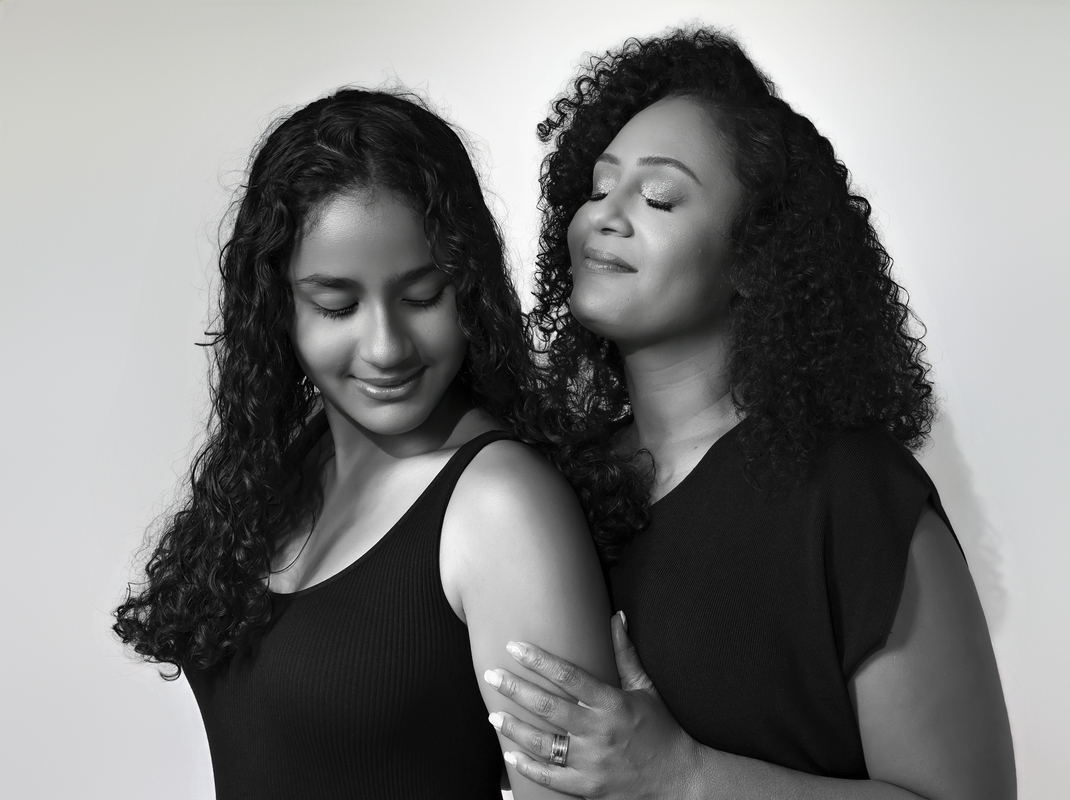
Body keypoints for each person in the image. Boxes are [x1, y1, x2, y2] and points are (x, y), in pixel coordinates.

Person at [485, 29, 1017, 799]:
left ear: (754, 256)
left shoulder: (853, 494)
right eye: (598, 190)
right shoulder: (547, 488)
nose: (604, 216)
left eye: (659, 197)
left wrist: (682, 776)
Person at [112, 88, 619, 799]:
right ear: (278, 309)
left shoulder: (501, 505)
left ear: (469, 287)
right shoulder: (285, 469)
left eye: (422, 296)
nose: (386, 347)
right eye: (337, 305)